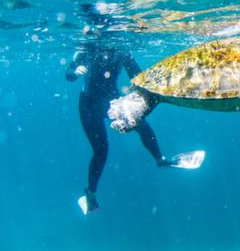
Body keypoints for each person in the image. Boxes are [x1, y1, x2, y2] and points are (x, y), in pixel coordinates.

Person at [66, 17, 183, 214]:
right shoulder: (86, 48)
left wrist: (149, 89)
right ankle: (91, 193)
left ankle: (160, 159)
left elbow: (138, 77)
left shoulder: (121, 51)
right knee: (101, 150)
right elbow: (68, 75)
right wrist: (75, 71)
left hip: (113, 101)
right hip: (89, 105)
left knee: (143, 125)